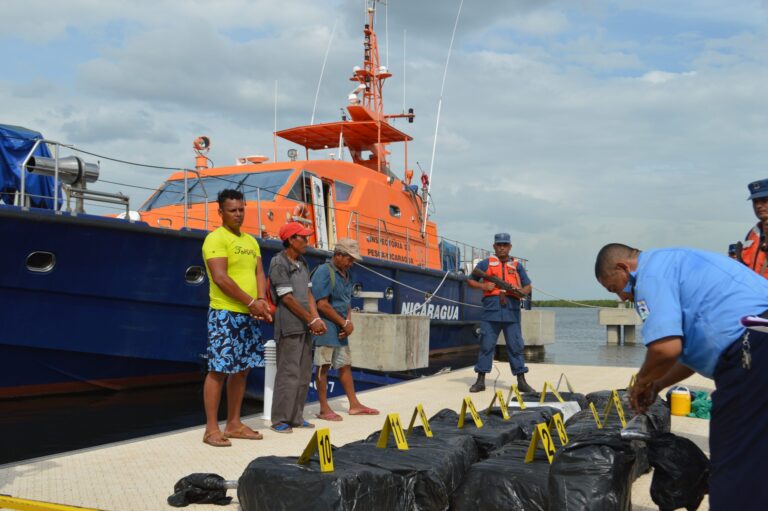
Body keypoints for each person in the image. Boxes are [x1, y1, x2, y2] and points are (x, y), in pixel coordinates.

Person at [594, 243, 768, 509]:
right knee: (757, 457)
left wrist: (641, 382)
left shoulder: (650, 276)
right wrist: (659, 384)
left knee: (731, 460)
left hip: (752, 348)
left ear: (623, 268)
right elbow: (689, 354)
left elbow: (665, 347)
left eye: (614, 287)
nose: (621, 297)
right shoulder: (671, 264)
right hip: (755, 344)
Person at [201, 189, 271, 447]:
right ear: (220, 212)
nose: (238, 214)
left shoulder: (251, 242)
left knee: (242, 369)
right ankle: (211, 429)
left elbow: (259, 273)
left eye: (241, 209)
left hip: (249, 314)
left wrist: (261, 300)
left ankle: (233, 423)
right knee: (219, 369)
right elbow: (220, 278)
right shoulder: (215, 239)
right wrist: (251, 302)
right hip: (225, 313)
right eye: (232, 210)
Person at [268, 222, 327, 433]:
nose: (306, 241)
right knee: (288, 373)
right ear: (291, 240)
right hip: (289, 327)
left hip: (305, 326)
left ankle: (296, 416)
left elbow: (309, 295)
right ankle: (279, 420)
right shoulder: (278, 263)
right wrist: (311, 320)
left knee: (303, 374)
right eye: (302, 237)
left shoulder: (302, 262)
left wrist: (315, 318)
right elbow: (287, 299)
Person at [311, 238, 379, 421]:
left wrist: (347, 322)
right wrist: (344, 323)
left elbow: (346, 302)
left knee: (345, 365)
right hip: (325, 328)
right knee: (322, 367)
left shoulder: (346, 274)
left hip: (340, 327)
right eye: (349, 259)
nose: (352, 263)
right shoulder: (324, 272)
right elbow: (322, 305)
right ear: (338, 255)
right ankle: (324, 408)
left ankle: (354, 404)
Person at [466, 233, 534, 393]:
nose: (502, 247)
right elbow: (470, 279)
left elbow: (528, 285)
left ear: (510, 246)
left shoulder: (517, 266)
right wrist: (483, 287)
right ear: (494, 247)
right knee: (486, 346)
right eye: (499, 245)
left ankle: (521, 381)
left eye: (505, 244)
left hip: (511, 312)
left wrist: (520, 292)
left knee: (516, 346)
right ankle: (480, 380)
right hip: (491, 313)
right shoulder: (485, 264)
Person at [740, 179, 768, 277]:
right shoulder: (753, 233)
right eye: (755, 202)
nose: (759, 206)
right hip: (756, 291)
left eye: (764, 200)